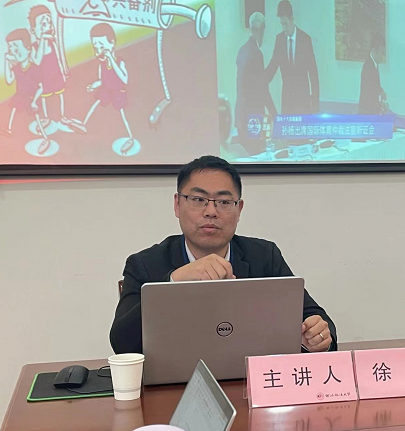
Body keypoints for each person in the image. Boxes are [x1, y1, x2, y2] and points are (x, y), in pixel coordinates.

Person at [110, 156, 337, 354]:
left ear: (239, 210)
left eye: (224, 202)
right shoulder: (145, 264)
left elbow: (316, 320)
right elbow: (122, 344)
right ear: (177, 205)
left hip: (248, 382)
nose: (211, 212)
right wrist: (172, 283)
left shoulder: (264, 256)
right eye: (198, 200)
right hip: (175, 385)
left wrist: (317, 338)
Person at [69, 23, 135, 155]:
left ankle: (130, 137)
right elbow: (102, 80)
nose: (99, 51)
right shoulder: (102, 65)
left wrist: (111, 59)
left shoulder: (120, 62)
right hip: (106, 90)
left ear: (112, 43)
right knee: (96, 103)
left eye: (102, 47)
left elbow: (124, 79)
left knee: (122, 114)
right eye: (96, 48)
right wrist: (93, 85)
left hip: (118, 91)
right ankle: (83, 124)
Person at [0, 28, 51, 155]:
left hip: (31, 97)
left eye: (16, 48)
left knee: (36, 117)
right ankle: (9, 128)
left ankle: (45, 138)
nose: (13, 52)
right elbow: (9, 80)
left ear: (28, 49)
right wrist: (6, 62)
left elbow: (41, 87)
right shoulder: (17, 68)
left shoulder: (33, 68)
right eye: (10, 49)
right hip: (20, 95)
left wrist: (35, 101)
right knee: (15, 108)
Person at [265, 0, 320, 115]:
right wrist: (259, 81)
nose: (284, 28)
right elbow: (272, 66)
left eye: (285, 23)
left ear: (292, 19)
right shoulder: (279, 40)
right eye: (281, 24)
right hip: (287, 101)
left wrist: (315, 104)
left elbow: (313, 73)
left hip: (303, 100)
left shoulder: (305, 40)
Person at [235, 12, 277, 141]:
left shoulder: (241, 51)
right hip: (254, 117)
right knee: (256, 150)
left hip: (240, 115)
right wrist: (274, 113)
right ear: (262, 29)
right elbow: (262, 88)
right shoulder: (257, 54)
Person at [29, 5, 69, 127]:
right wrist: (43, 40)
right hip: (44, 77)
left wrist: (63, 71)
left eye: (49, 22)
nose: (48, 26)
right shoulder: (34, 47)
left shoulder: (53, 44)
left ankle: (62, 116)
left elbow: (59, 58)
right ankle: (46, 117)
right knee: (44, 98)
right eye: (43, 24)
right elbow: (37, 61)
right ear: (33, 30)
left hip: (56, 74)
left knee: (60, 95)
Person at [358, 35, 387, 115]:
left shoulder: (374, 64)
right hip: (367, 112)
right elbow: (370, 90)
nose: (383, 57)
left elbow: (374, 84)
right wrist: (380, 103)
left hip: (372, 111)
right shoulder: (368, 67)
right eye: (382, 53)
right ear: (374, 50)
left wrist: (381, 91)